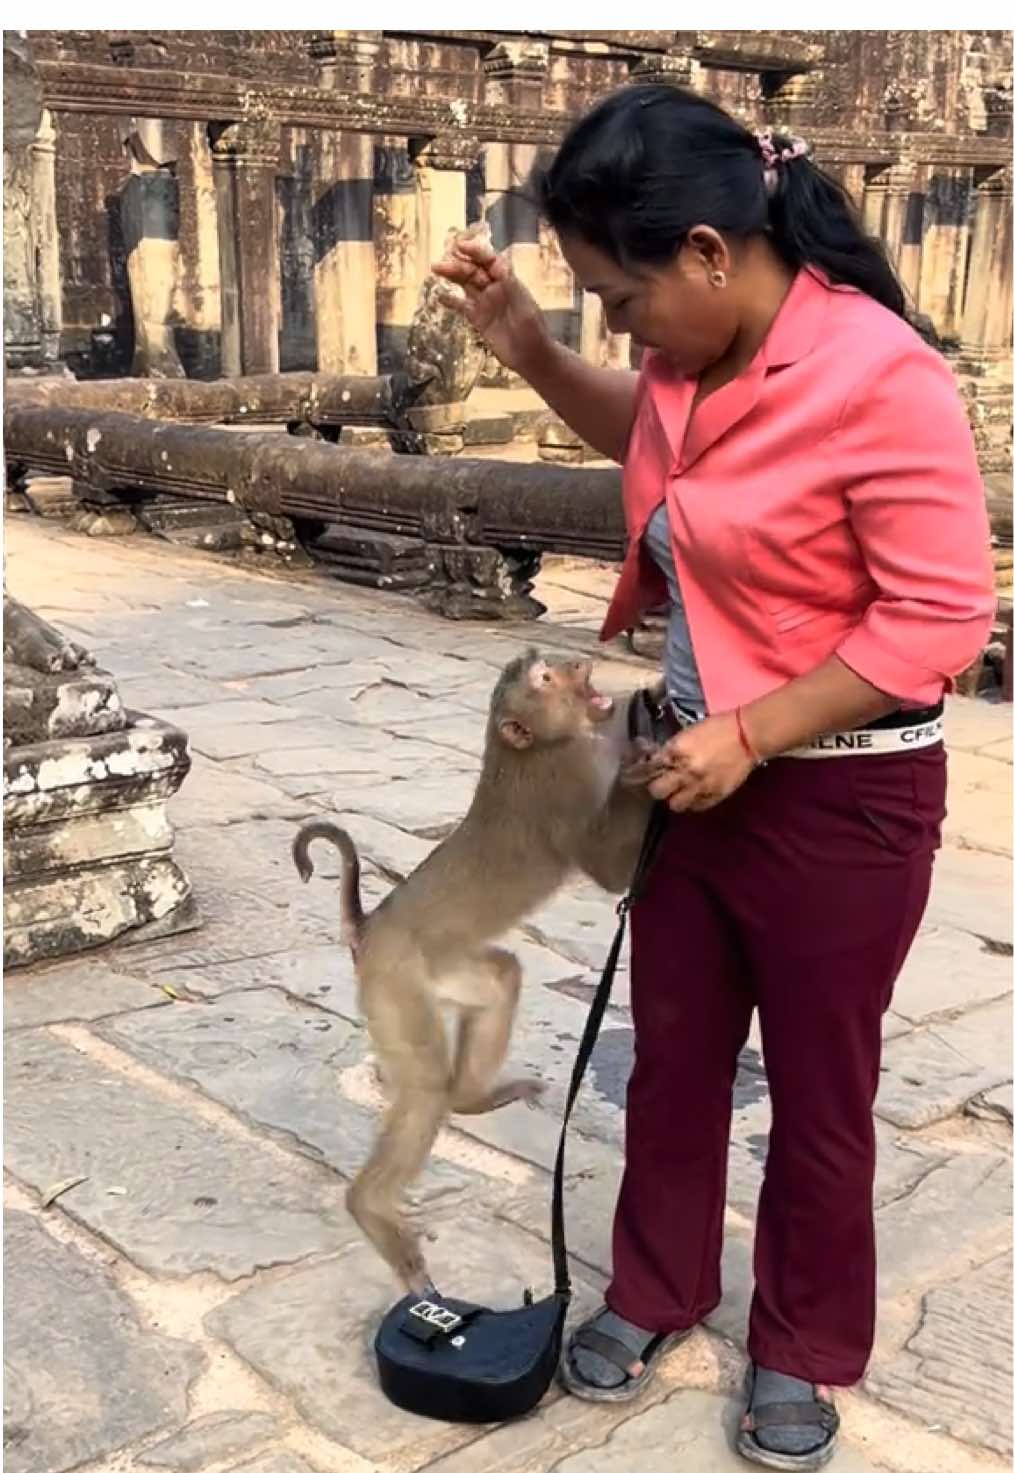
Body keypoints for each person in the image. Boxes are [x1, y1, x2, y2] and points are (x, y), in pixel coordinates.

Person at [435, 84, 994, 1470]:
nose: (617, 328)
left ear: (703, 249)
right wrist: (521, 341)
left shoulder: (881, 375)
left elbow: (936, 623)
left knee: (816, 1082)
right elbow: (642, 431)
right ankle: (656, 1287)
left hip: (840, 794)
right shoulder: (692, 368)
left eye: (616, 299)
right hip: (691, 774)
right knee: (673, 1058)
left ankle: (804, 1340)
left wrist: (753, 731)